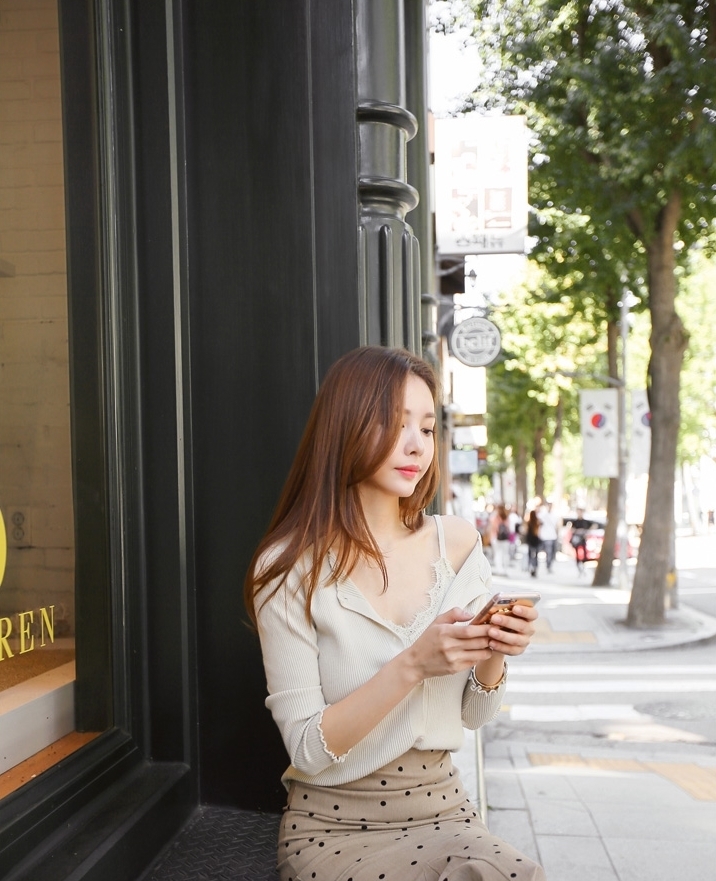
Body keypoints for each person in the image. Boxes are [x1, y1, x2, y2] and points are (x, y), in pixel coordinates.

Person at [245, 346, 546, 881]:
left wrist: (494, 653)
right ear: (345, 427)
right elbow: (308, 749)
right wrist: (413, 664)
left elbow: (474, 715)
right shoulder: (289, 567)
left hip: (444, 808)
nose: (416, 446)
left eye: (428, 429)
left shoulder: (455, 543)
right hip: (333, 825)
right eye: (393, 423)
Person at [566, 508, 593, 575]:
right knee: (577, 554)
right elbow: (571, 529)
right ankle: (579, 568)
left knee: (584, 553)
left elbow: (593, 526)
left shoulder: (585, 522)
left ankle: (583, 566)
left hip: (583, 539)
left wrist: (586, 532)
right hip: (577, 540)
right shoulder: (575, 522)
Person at [536, 501, 559, 573]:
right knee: (548, 551)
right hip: (545, 536)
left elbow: (556, 525)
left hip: (553, 536)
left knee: (552, 552)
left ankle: (549, 565)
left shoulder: (554, 514)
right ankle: (547, 566)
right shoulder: (542, 514)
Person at [489, 503, 511, 576]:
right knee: (505, 554)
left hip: (496, 537)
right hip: (505, 538)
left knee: (498, 554)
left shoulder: (495, 517)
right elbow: (509, 528)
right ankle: (505, 569)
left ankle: (500, 569)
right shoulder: (506, 517)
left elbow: (493, 527)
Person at [524, 509, 541, 577]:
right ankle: (535, 567)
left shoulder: (529, 523)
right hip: (535, 540)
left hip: (530, 540)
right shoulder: (537, 523)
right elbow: (538, 533)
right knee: (535, 555)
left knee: (530, 555)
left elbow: (526, 531)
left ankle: (530, 566)